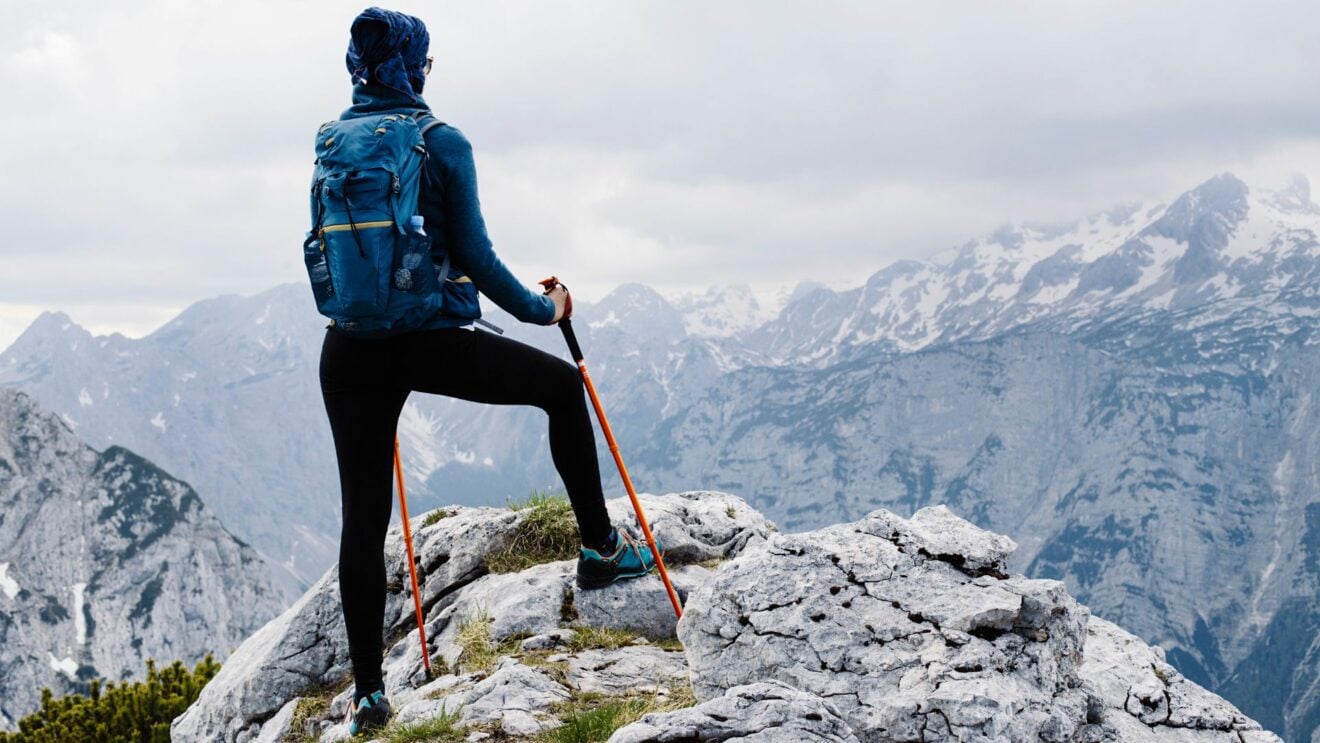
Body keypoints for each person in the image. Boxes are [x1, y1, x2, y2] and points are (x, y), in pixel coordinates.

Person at [318, 8, 661, 735]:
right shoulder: (442, 142)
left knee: (362, 519)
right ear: (415, 66)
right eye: (427, 64)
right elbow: (475, 254)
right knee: (561, 390)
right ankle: (600, 549)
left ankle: (371, 697)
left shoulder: (331, 142)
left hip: (348, 349)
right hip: (427, 339)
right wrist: (546, 309)